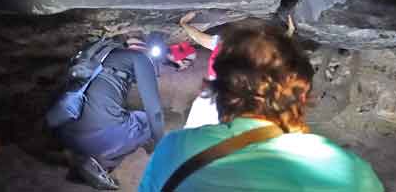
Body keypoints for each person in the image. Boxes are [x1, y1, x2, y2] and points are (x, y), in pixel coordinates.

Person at [139, 20, 383, 191]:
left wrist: (184, 25)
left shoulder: (175, 152)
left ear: (219, 87)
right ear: (302, 92)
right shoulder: (350, 174)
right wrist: (288, 34)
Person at [57, 35, 165, 190]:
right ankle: (99, 165)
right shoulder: (140, 58)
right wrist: (163, 143)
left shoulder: (97, 56)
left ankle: (78, 164)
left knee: (113, 114)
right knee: (145, 121)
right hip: (95, 136)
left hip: (64, 130)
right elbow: (154, 110)